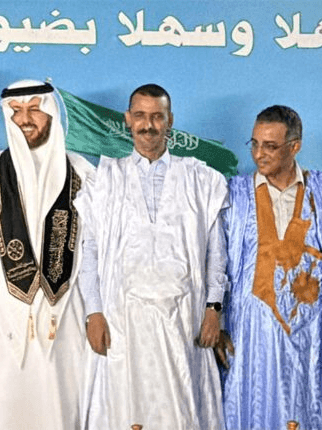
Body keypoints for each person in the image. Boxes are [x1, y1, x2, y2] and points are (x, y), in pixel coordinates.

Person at [74, 84, 227, 429]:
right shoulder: (104, 181)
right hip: (122, 321)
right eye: (140, 116)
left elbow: (216, 253)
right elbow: (90, 254)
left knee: (180, 412)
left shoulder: (201, 179)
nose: (148, 125)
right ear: (128, 120)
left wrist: (213, 308)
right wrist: (93, 312)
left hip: (184, 322)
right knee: (125, 407)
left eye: (157, 117)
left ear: (170, 120)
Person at [0, 79, 94, 430]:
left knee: (65, 402)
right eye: (16, 111)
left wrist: (95, 310)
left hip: (67, 314)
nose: (25, 119)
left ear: (51, 113)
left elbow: (95, 250)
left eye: (35, 109)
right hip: (4, 312)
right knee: (8, 405)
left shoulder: (83, 174)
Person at [217, 105, 322, 429]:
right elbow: (219, 262)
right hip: (252, 340)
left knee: (310, 414)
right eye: (254, 144)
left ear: (295, 146)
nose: (259, 154)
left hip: (315, 338)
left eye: (270, 146)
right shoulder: (233, 195)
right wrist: (220, 322)